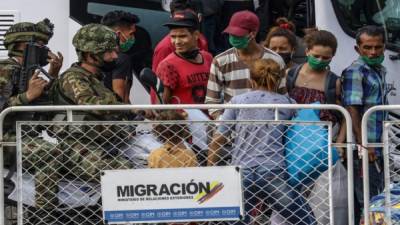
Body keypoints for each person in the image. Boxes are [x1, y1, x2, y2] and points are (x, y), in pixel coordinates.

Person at [208, 58, 315, 225]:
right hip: (274, 170)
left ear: (251, 80)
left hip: (242, 170)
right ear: (279, 80)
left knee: (235, 220)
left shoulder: (238, 102)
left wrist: (211, 169)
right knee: (303, 219)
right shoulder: (287, 104)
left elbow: (219, 138)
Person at [341, 25, 387, 223]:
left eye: (378, 47)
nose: (373, 52)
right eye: (368, 47)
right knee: (368, 199)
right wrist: (363, 144)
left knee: (378, 194)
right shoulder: (355, 71)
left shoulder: (378, 70)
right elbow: (352, 109)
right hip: (364, 147)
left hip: (378, 143)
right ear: (357, 48)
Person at [205, 10, 284, 119]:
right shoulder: (220, 61)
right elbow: (212, 101)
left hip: (267, 127)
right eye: (231, 34)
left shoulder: (275, 59)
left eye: (238, 34)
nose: (233, 38)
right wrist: (224, 125)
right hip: (233, 127)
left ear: (253, 33)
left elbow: (282, 97)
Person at [286, 30, 346, 143]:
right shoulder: (290, 75)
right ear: (307, 51)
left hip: (323, 138)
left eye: (325, 58)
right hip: (293, 136)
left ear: (333, 56)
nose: (319, 60)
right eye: (316, 56)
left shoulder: (334, 82)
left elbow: (344, 115)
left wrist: (339, 143)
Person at [156, 10, 213, 105]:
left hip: (210, 118)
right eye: (173, 37)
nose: (177, 41)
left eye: (182, 36)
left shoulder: (208, 58)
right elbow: (162, 105)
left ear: (196, 35)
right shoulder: (167, 65)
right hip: (183, 119)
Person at [101, 10, 140, 103]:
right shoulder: (122, 59)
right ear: (118, 34)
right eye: (131, 33)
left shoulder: (95, 56)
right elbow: (120, 98)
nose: (133, 38)